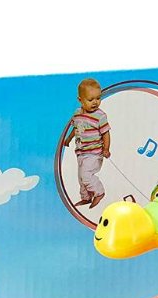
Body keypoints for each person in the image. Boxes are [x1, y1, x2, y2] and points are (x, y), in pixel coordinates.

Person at [65, 77, 110, 209]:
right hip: (81, 152)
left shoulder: (100, 116)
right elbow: (76, 128)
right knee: (81, 178)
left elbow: (106, 133)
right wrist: (68, 139)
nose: (95, 102)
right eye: (90, 100)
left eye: (98, 98)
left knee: (86, 175)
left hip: (94, 153)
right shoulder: (77, 114)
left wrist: (106, 149)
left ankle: (99, 192)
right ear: (80, 100)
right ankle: (86, 197)